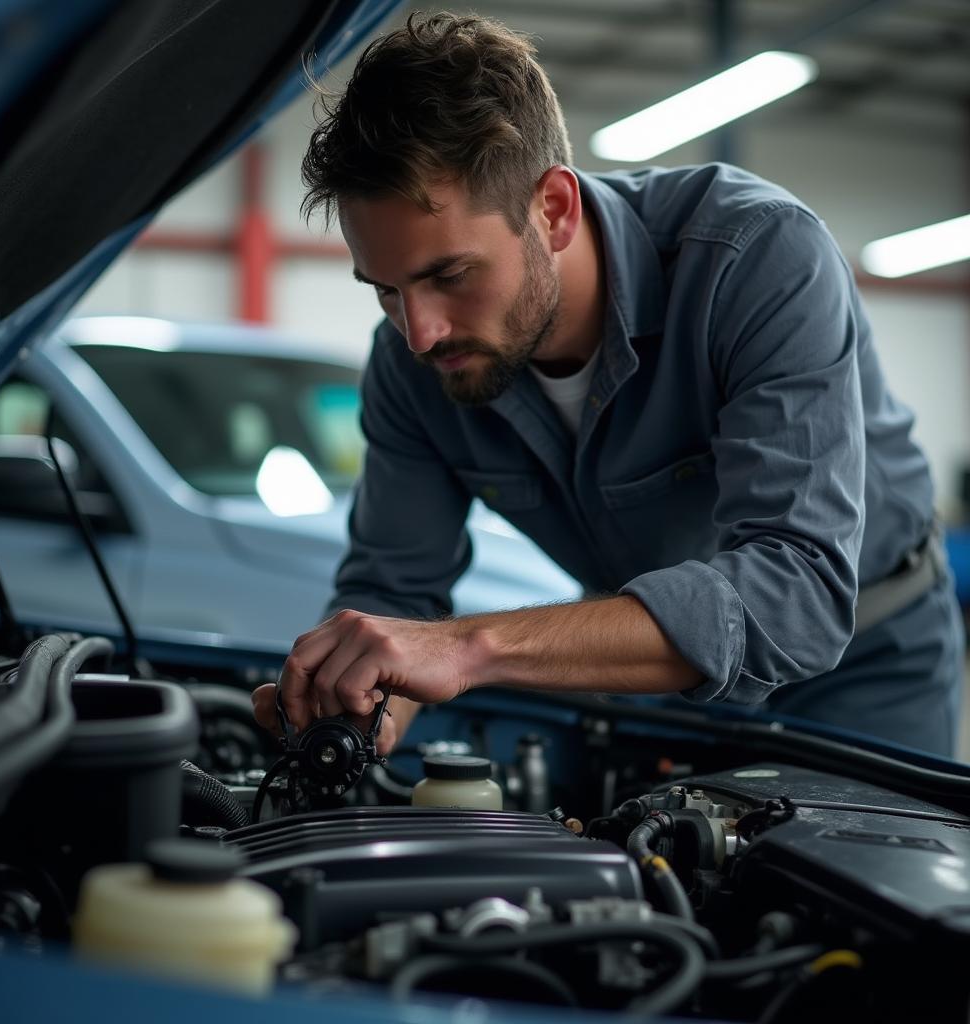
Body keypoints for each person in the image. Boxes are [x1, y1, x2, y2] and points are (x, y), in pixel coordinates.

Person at [253, 12, 964, 758]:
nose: (419, 331)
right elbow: (393, 592)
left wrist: (469, 647)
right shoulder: (409, 365)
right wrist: (356, 708)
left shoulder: (755, 260)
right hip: (660, 675)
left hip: (866, 664)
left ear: (553, 210)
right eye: (384, 290)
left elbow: (796, 598)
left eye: (449, 275)